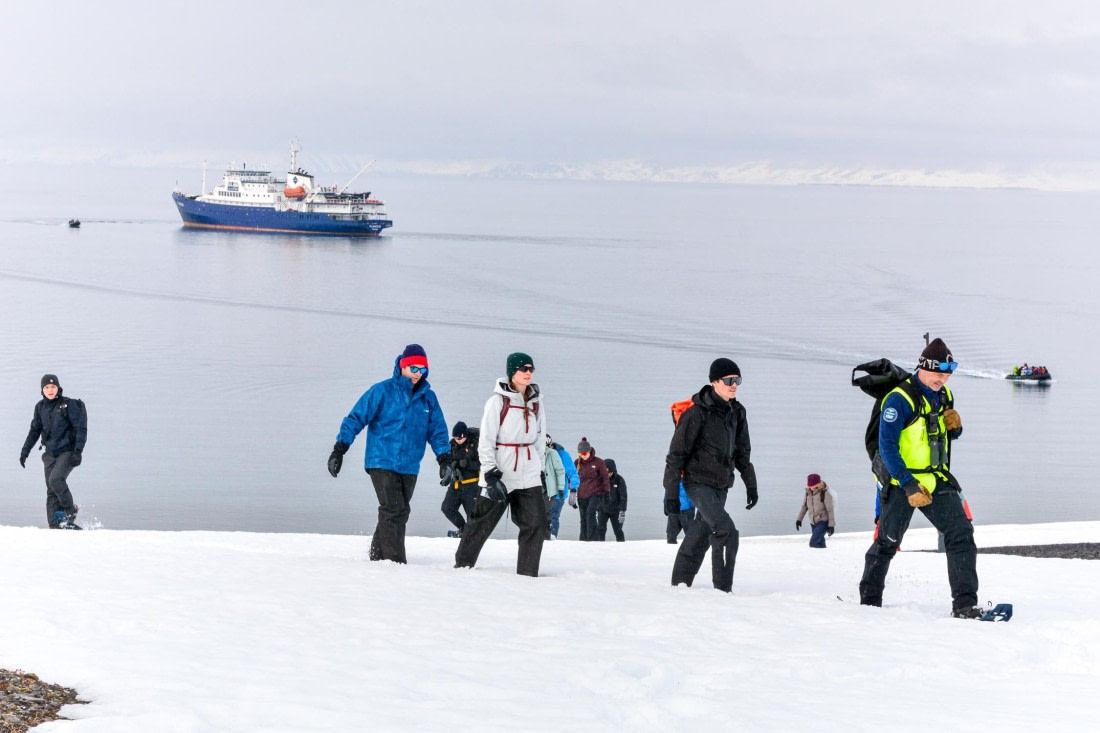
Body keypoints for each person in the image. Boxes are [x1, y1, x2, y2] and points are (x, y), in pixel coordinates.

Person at [858, 338, 982, 618]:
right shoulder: (898, 400)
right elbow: (887, 447)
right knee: (888, 541)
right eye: (938, 372)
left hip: (936, 480)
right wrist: (907, 482)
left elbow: (939, 437)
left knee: (961, 534)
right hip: (902, 482)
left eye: (948, 372)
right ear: (923, 367)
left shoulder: (944, 395)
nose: (943, 378)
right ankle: (869, 600)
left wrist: (956, 428)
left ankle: (964, 605)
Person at [327, 344, 451, 563]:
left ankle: (378, 558)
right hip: (381, 460)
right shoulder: (382, 391)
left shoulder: (428, 398)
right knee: (394, 509)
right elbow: (356, 418)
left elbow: (438, 431)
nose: (417, 374)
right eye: (413, 368)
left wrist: (444, 459)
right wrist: (340, 449)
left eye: (422, 370)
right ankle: (395, 564)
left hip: (410, 464)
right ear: (402, 366)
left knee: (398, 513)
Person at [664, 358, 758, 593]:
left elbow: (742, 452)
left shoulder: (737, 412)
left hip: (721, 484)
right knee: (726, 530)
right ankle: (723, 590)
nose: (734, 385)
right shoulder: (696, 414)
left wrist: (751, 484)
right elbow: (675, 455)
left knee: (700, 533)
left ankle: (680, 584)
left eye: (738, 380)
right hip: (697, 483)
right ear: (715, 382)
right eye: (729, 380)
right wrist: (671, 494)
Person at [455, 352, 548, 576]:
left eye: (531, 369)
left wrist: (540, 470)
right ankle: (462, 566)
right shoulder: (497, 402)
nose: (528, 373)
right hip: (501, 470)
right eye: (523, 369)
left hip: (528, 472)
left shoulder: (536, 403)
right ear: (511, 372)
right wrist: (490, 474)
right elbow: (486, 440)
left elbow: (539, 439)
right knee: (481, 523)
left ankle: (527, 574)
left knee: (536, 523)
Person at [20, 374, 87, 529]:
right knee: (51, 490)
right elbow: (34, 431)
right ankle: (55, 526)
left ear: (58, 388)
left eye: (53, 387)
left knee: (55, 480)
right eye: (47, 387)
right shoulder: (40, 407)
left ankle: (71, 511)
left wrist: (78, 450)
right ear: (42, 390)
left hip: (68, 452)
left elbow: (80, 428)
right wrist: (25, 452)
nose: (50, 390)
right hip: (50, 453)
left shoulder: (68, 405)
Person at [441, 421, 480, 538]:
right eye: (455, 437)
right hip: (456, 484)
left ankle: (470, 535)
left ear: (465, 435)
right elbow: (446, 460)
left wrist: (467, 464)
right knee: (447, 508)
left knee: (472, 516)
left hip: (472, 485)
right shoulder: (452, 444)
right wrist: (447, 473)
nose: (457, 440)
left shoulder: (475, 444)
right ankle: (464, 529)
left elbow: (484, 464)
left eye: (460, 437)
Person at [574, 437, 610, 541]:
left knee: (590, 513)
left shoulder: (598, 462)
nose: (583, 456)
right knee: (583, 518)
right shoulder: (577, 463)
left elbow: (605, 478)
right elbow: (572, 478)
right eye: (581, 454)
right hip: (582, 494)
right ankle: (583, 539)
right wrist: (571, 492)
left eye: (585, 454)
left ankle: (593, 538)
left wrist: (607, 492)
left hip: (596, 493)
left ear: (589, 452)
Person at [546, 435, 580, 539]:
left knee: (553, 517)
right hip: (542, 493)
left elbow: (573, 474)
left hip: (558, 494)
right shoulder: (538, 453)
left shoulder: (563, 455)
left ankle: (552, 537)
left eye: (548, 446)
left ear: (551, 445)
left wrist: (573, 490)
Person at [795, 473, 836, 548]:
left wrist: (831, 525)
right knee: (820, 542)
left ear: (818, 484)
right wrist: (799, 519)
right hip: (813, 523)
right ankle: (823, 557)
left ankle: (814, 558)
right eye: (809, 485)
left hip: (823, 522)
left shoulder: (824, 493)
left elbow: (830, 510)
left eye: (812, 485)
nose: (811, 487)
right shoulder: (808, 493)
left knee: (813, 542)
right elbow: (804, 507)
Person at [541, 433, 567, 540]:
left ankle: (546, 537)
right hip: (535, 488)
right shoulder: (534, 454)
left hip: (549, 490)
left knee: (546, 514)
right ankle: (535, 537)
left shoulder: (553, 454)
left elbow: (560, 471)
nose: (546, 448)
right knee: (534, 514)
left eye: (547, 446)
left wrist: (560, 487)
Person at [596, 458, 628, 542]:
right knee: (600, 530)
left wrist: (622, 511)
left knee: (618, 530)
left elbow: (623, 496)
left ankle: (622, 546)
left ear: (613, 471)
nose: (607, 474)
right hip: (602, 509)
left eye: (609, 472)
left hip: (616, 511)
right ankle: (599, 547)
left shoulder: (619, 480)